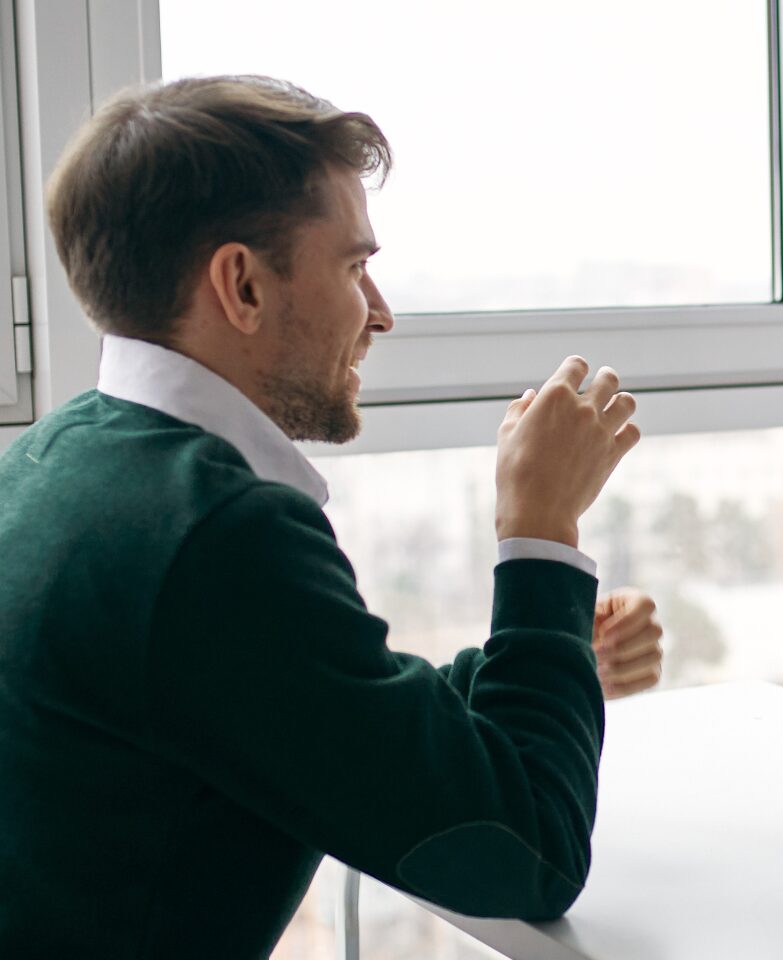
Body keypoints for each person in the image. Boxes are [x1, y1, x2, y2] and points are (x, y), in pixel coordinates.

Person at [0, 75, 662, 956]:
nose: (380, 312)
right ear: (241, 285)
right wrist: (539, 529)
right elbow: (526, 852)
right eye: (355, 267)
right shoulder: (218, 535)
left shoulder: (56, 461)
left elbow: (297, 703)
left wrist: (549, 657)